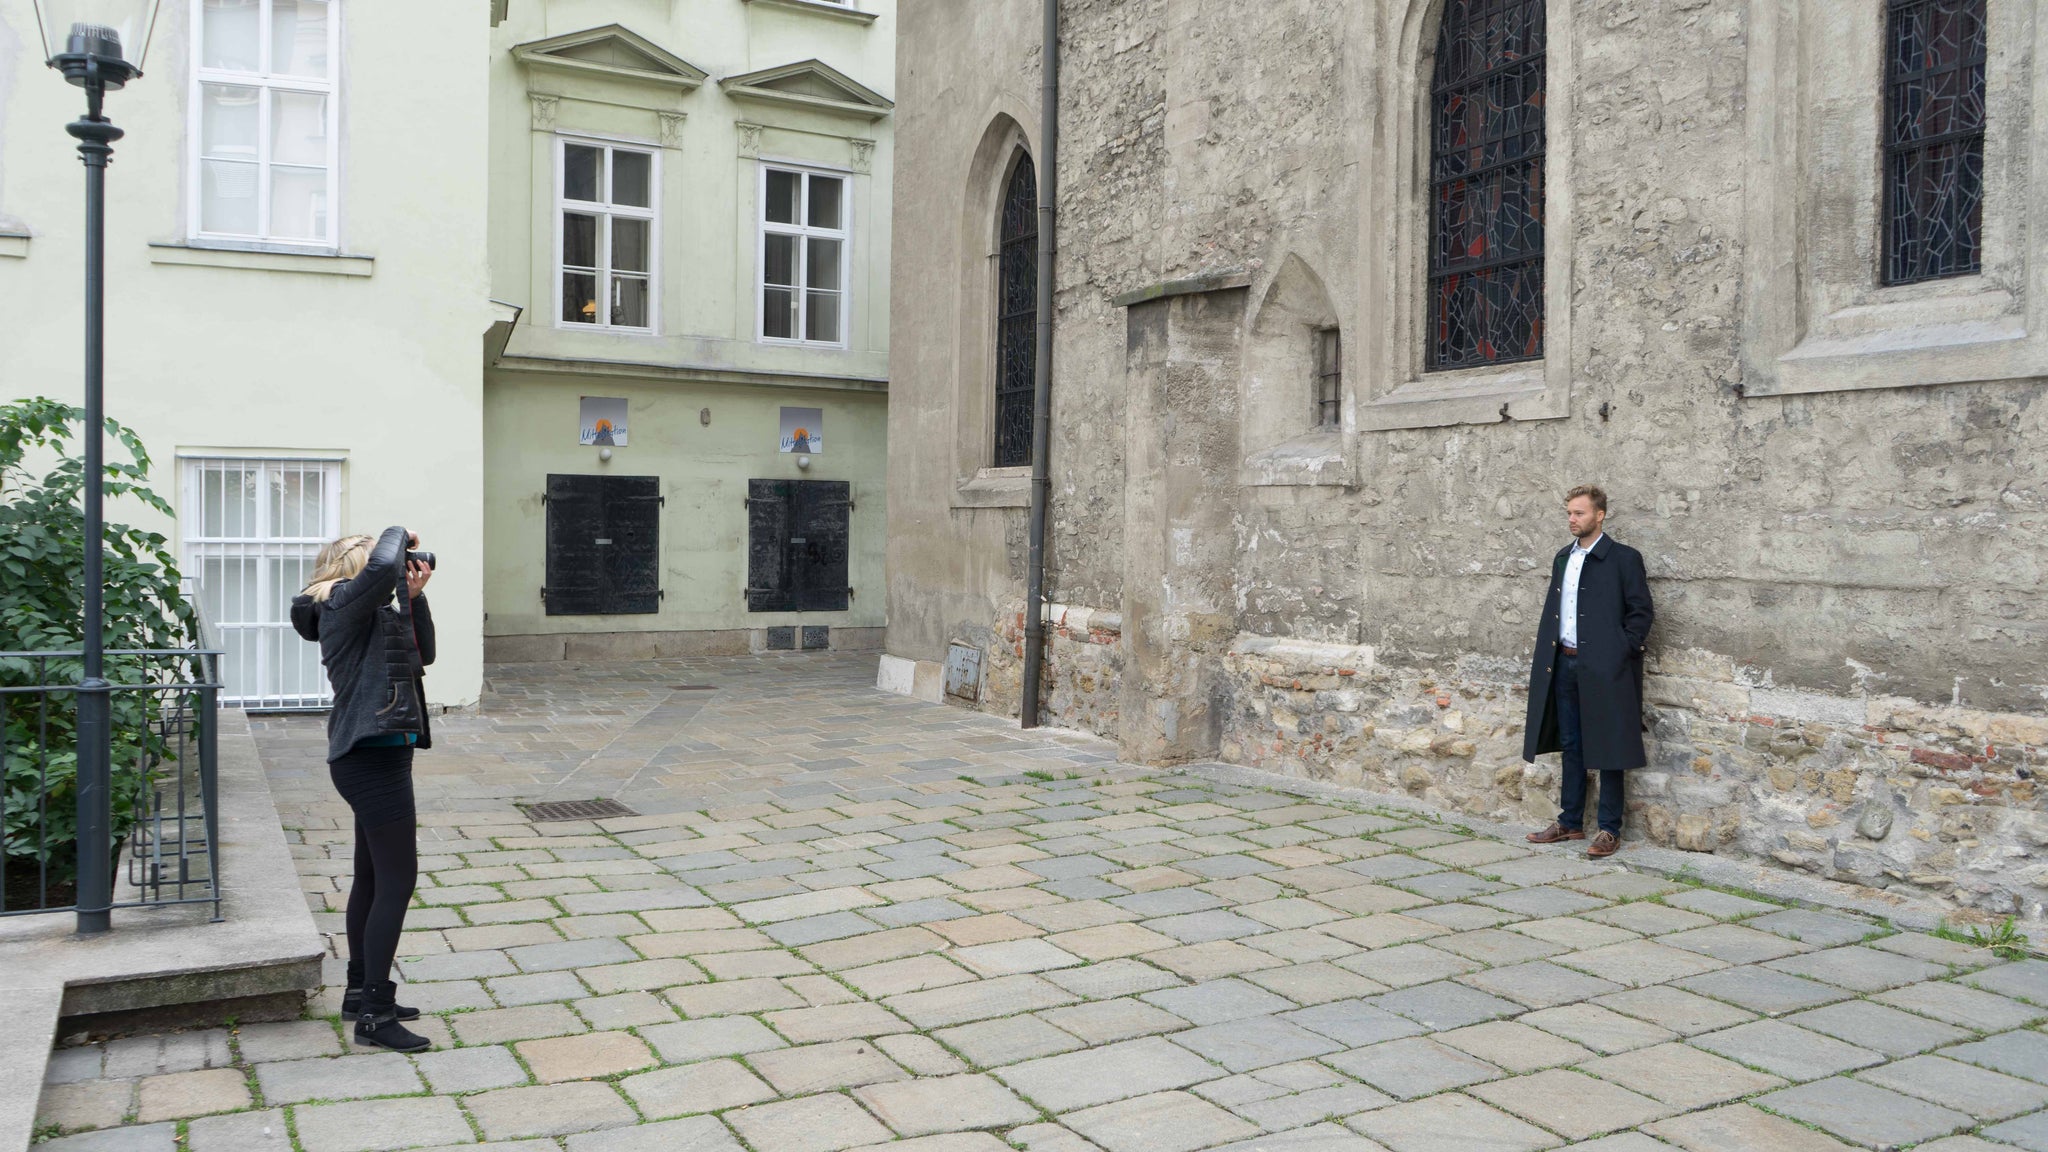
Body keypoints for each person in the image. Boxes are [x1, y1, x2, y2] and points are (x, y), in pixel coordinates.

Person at [290, 527, 435, 1051]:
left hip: (380, 754)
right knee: (398, 881)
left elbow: (428, 655)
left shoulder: (372, 614)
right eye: (382, 558)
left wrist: (413, 599)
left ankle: (358, 991)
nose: (395, 562)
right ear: (356, 566)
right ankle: (374, 1013)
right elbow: (379, 569)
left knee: (373, 878)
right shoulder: (341, 608)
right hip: (370, 759)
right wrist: (395, 532)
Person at [1522, 486, 1654, 859]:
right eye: (1569, 513)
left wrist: (1621, 650)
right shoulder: (1563, 557)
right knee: (1573, 743)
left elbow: (1640, 612)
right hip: (1563, 661)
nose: (1572, 519)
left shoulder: (1624, 559)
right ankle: (1570, 820)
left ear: (1600, 515)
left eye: (1579, 513)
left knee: (1609, 745)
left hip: (1606, 666)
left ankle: (1610, 829)